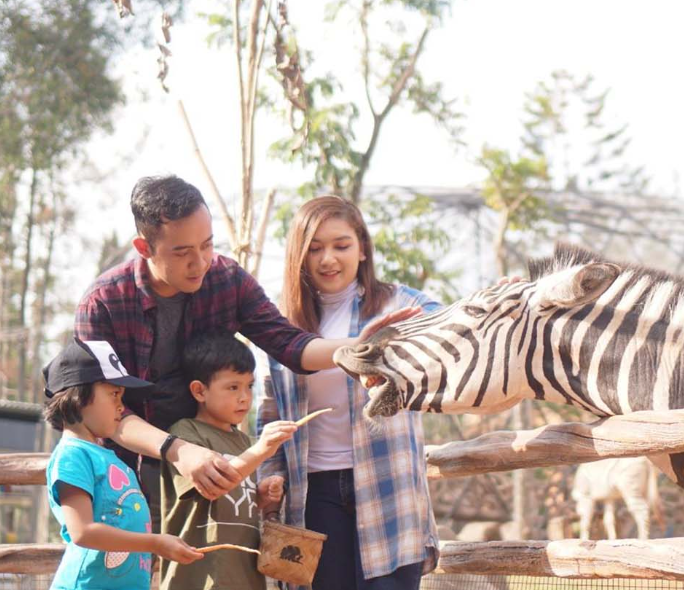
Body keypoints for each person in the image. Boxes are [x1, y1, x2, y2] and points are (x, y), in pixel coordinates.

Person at [74, 175, 419, 533]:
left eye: (207, 245)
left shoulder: (227, 280)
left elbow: (290, 344)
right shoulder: (103, 304)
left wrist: (354, 348)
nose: (201, 262)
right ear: (144, 248)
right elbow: (104, 414)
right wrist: (179, 451)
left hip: (215, 466)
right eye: (182, 252)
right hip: (125, 474)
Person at [258, 196, 440, 590]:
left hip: (387, 483)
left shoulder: (401, 305)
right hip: (314, 492)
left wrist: (498, 302)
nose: (328, 259)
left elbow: (454, 326)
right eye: (315, 248)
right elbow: (270, 411)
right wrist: (269, 477)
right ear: (299, 256)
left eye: (341, 245)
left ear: (362, 248)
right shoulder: (282, 323)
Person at [42, 338, 203, 590]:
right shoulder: (73, 455)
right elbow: (82, 531)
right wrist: (154, 543)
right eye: (114, 394)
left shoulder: (107, 456)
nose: (121, 406)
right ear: (78, 397)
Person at [160, 333, 298, 590]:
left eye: (249, 386)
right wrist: (262, 450)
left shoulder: (244, 442)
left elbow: (237, 502)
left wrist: (263, 496)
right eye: (233, 387)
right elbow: (214, 486)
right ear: (199, 391)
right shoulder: (185, 434)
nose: (245, 396)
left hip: (244, 578)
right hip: (198, 579)